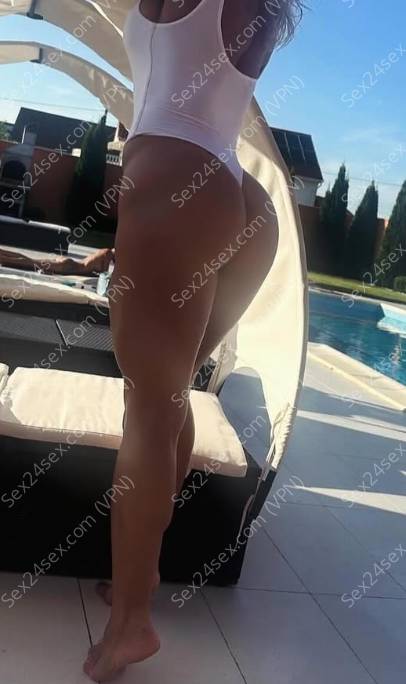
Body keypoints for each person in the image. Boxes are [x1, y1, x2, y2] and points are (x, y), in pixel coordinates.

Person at [84, 1, 303, 681]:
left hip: (176, 186)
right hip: (236, 197)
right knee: (168, 395)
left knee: (149, 407)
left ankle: (131, 623)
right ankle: (139, 578)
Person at [0, 246, 115, 276]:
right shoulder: (107, 254)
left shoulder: (105, 252)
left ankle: (3, 252)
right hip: (69, 267)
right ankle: (3, 257)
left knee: (30, 261)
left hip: (70, 264)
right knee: (30, 263)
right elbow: (103, 275)